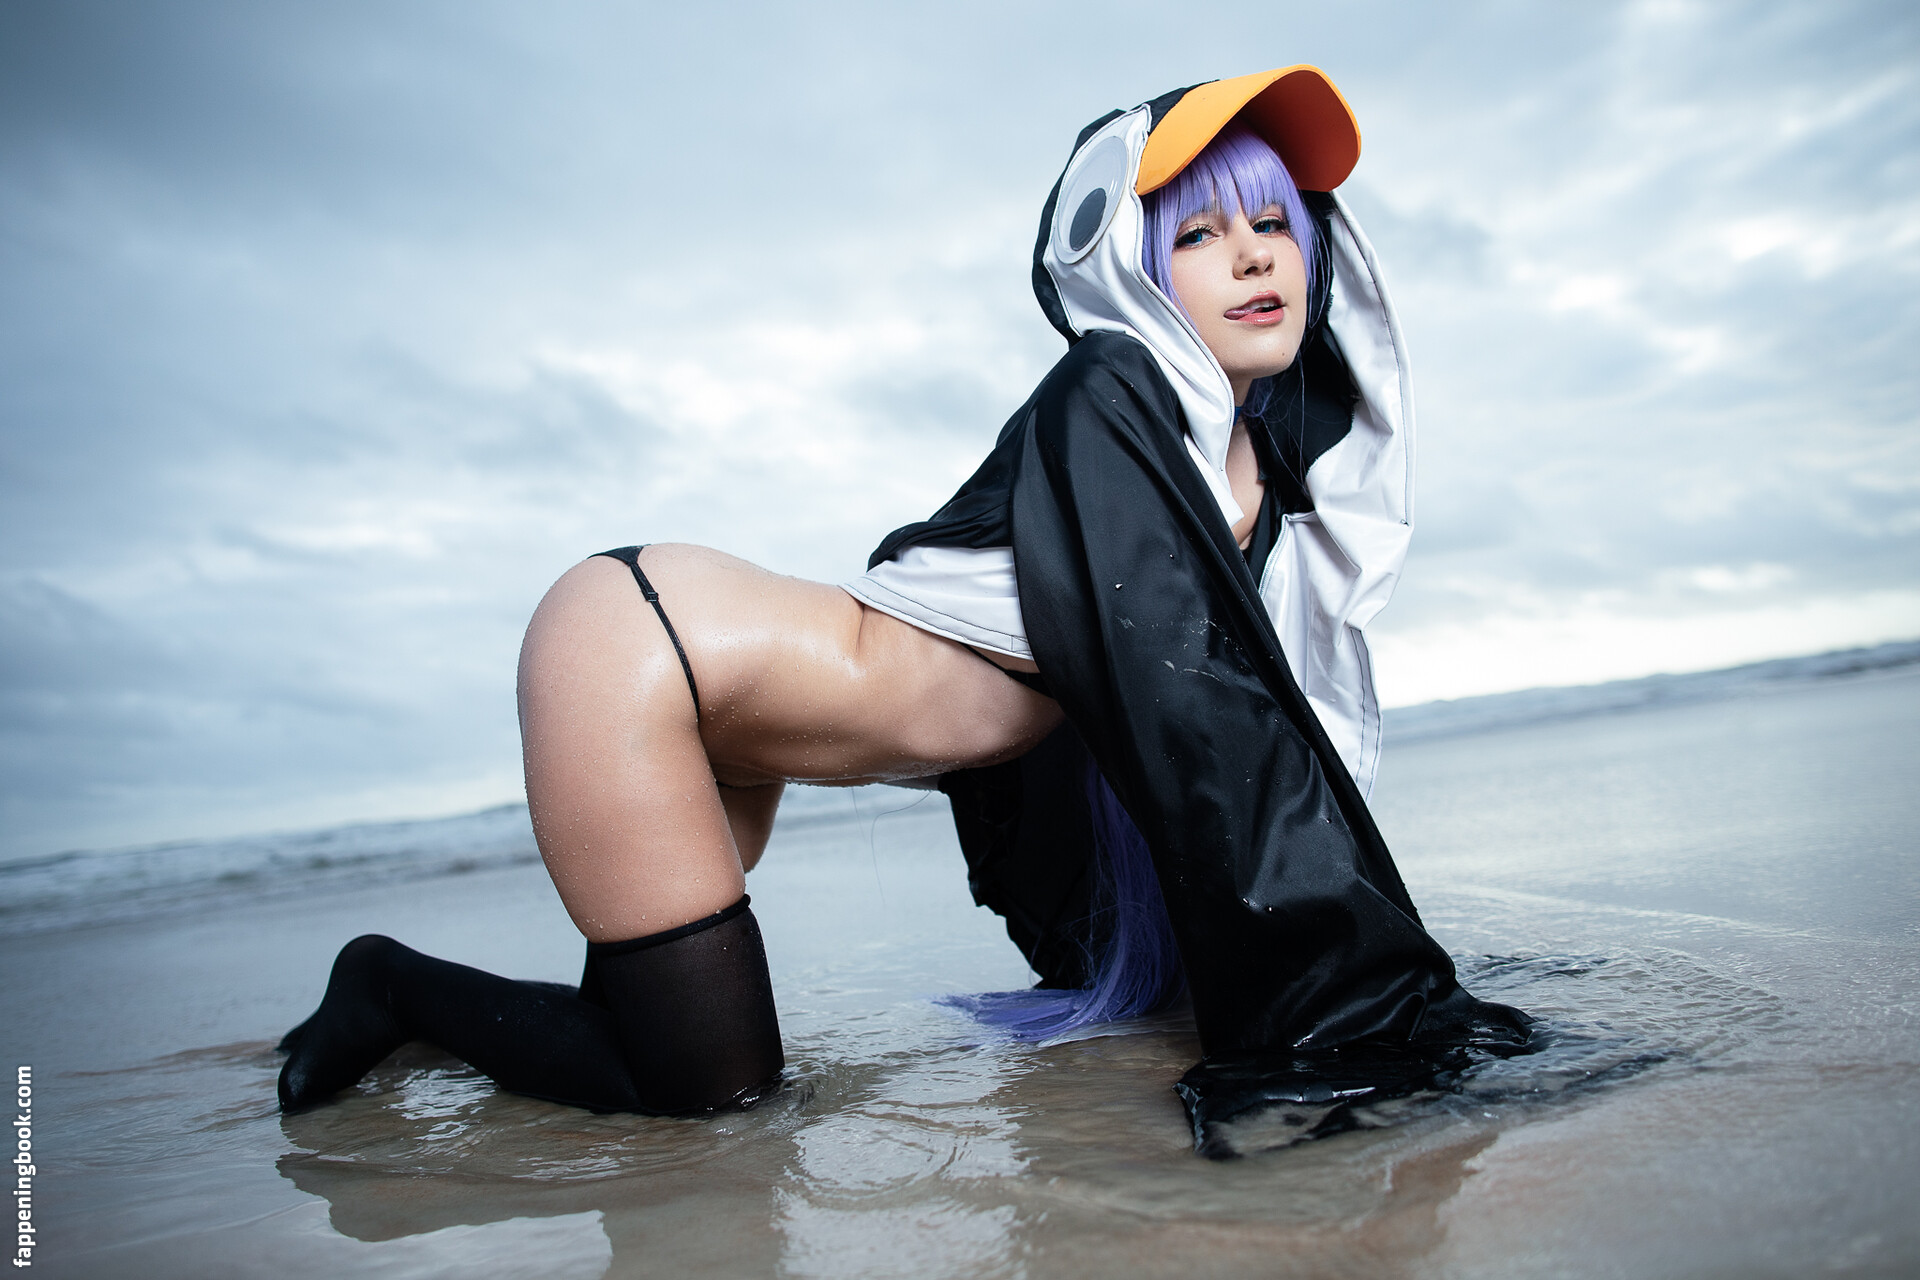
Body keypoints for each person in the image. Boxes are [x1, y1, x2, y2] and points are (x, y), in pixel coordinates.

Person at [278, 66, 1531, 1146]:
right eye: (1199, 232)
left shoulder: (1246, 459)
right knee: (707, 1088)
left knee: (653, 1039)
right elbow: (1197, 720)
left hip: (725, 698)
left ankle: (419, 1005)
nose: (1256, 253)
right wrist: (1361, 997)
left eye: (1274, 220)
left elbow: (1186, 729)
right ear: (1126, 262)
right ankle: (387, 984)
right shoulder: (1112, 392)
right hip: (637, 648)